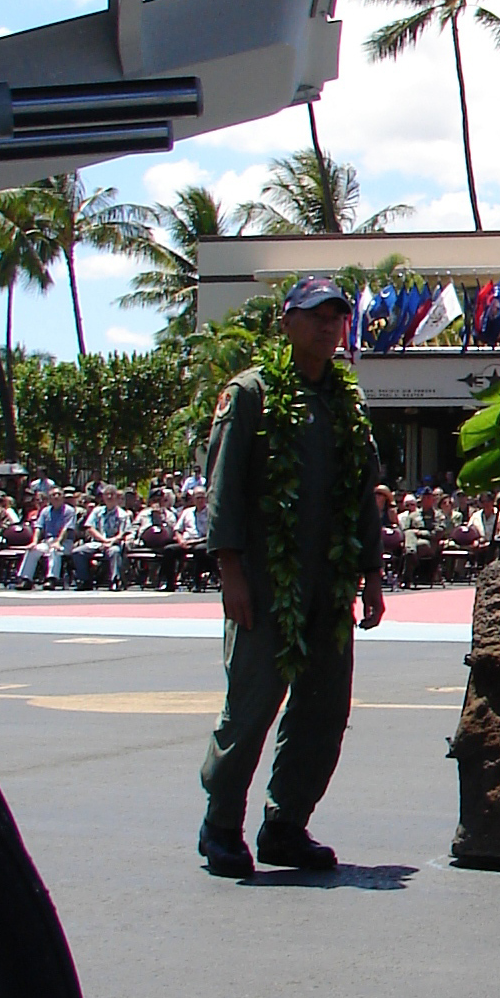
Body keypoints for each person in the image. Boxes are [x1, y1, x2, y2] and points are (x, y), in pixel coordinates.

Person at [198, 277, 384, 877]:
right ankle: (221, 824)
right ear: (287, 323)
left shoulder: (346, 402)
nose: (329, 327)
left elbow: (362, 496)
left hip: (328, 584)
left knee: (324, 709)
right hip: (265, 578)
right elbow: (223, 488)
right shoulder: (250, 394)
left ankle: (286, 824)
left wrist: (372, 575)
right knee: (251, 706)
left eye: (337, 317)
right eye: (316, 316)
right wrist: (230, 572)